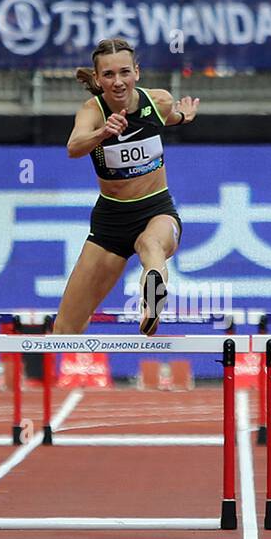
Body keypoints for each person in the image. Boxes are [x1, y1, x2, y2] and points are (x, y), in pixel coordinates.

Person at [59, 37, 198, 336]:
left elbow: (171, 117)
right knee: (65, 330)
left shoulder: (157, 101)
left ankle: (151, 303)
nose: (118, 82)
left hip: (156, 210)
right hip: (111, 222)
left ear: (137, 72)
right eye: (109, 75)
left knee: (150, 244)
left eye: (124, 72)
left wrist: (185, 115)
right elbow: (73, 147)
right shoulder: (92, 111)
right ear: (97, 78)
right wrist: (102, 133)